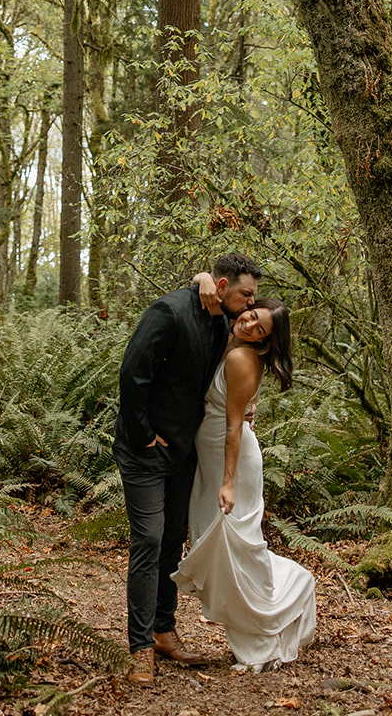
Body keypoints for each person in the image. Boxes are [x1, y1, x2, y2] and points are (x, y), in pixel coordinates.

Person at [112, 251, 263, 687]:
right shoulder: (168, 311)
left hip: (184, 452)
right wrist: (143, 434)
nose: (251, 304)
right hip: (144, 451)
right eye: (246, 294)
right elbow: (132, 374)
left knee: (172, 540)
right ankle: (139, 647)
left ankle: (163, 630)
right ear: (222, 286)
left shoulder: (222, 321)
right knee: (150, 538)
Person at [172, 294, 316, 672]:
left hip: (229, 464)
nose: (250, 324)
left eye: (260, 328)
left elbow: (235, 427)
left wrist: (228, 483)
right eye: (251, 315)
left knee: (234, 549)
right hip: (213, 461)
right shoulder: (231, 345)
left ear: (265, 340)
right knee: (224, 547)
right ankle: (280, 600)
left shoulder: (239, 357)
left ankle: (264, 629)